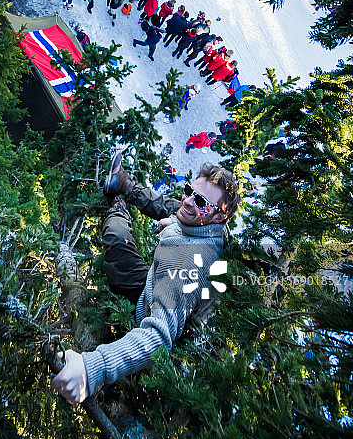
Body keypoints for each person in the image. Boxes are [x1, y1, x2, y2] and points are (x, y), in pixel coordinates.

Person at [51, 154, 239, 403]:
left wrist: (90, 368)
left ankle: (118, 205)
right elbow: (187, 208)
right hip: (159, 281)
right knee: (176, 208)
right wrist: (174, 223)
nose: (190, 200)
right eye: (189, 191)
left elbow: (158, 338)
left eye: (201, 200)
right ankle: (124, 184)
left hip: (147, 302)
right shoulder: (212, 226)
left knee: (118, 238)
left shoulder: (184, 260)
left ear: (219, 217)